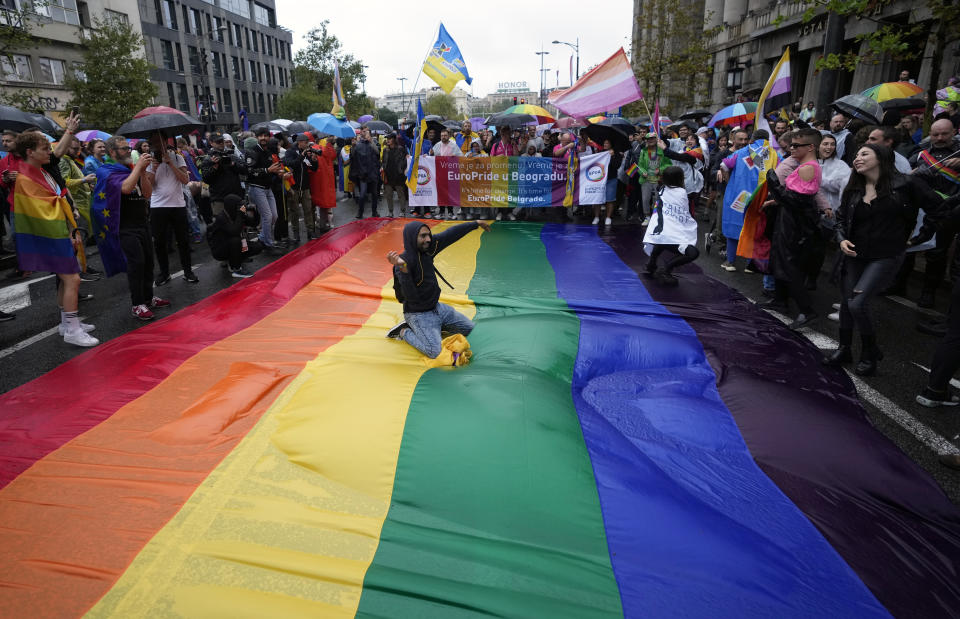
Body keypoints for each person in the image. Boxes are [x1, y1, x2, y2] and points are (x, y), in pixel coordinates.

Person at [824, 144, 945, 375]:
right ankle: (844, 348)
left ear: (881, 158)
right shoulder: (854, 186)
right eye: (856, 154)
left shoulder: (907, 184)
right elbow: (840, 218)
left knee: (858, 303)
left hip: (886, 254)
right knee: (848, 303)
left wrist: (922, 235)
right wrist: (840, 239)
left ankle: (870, 352)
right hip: (855, 254)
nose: (857, 158)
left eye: (864, 154)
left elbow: (938, 208)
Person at [12, 131, 97, 345]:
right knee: (72, 279)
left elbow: (55, 201)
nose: (50, 151)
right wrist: (65, 234)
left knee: (67, 279)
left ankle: (66, 323)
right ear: (30, 152)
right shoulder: (26, 178)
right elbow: (44, 214)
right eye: (44, 149)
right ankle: (73, 330)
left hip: (59, 232)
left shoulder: (39, 171)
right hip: (53, 235)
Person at [385, 219, 491, 358]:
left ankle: (438, 326)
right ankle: (404, 331)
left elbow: (450, 234)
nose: (428, 239)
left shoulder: (428, 248)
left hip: (438, 308)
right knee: (436, 352)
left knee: (472, 330)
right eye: (423, 236)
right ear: (412, 238)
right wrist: (403, 269)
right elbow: (411, 298)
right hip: (418, 315)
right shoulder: (402, 263)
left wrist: (475, 223)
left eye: (429, 235)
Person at [761, 128, 823, 329]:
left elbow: (798, 201)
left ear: (811, 147)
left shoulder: (808, 167)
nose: (791, 148)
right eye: (791, 145)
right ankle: (780, 301)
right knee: (780, 258)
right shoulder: (803, 166)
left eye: (796, 145)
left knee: (790, 264)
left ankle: (807, 311)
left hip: (797, 223)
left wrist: (774, 186)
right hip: (789, 218)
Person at [719, 129, 776, 271]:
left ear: (752, 139)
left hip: (738, 196)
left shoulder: (740, 152)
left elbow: (724, 165)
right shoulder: (775, 155)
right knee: (754, 228)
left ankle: (730, 262)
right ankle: (750, 265)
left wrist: (729, 182)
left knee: (733, 226)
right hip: (760, 198)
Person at [145, 131, 195, 285]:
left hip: (177, 204)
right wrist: (154, 168)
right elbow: (149, 186)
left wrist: (170, 163)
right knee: (160, 242)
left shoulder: (178, 157)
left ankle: (188, 271)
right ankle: (164, 273)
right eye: (154, 142)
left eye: (159, 141)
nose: (157, 144)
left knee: (183, 240)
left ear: (166, 141)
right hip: (158, 206)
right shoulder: (149, 161)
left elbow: (185, 180)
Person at [642, 166, 700, 285]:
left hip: (659, 230)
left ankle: (652, 262)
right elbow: (685, 211)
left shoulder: (661, 189)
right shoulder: (682, 192)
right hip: (670, 232)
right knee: (693, 253)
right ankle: (666, 270)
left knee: (663, 237)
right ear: (680, 179)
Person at [245, 127, 283, 252]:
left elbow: (270, 171)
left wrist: (278, 172)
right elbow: (249, 172)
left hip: (268, 188)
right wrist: (268, 170)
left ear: (269, 137)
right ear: (256, 137)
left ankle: (262, 238)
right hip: (257, 188)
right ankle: (268, 244)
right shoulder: (252, 152)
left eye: (265, 135)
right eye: (260, 136)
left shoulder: (268, 152)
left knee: (274, 216)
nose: (263, 138)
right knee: (267, 216)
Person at [207, 193, 263, 278]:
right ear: (231, 206)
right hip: (219, 250)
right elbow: (234, 231)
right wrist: (240, 214)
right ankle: (236, 268)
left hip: (234, 245)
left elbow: (254, 223)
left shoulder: (237, 214)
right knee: (236, 240)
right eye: (239, 206)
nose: (241, 208)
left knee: (258, 246)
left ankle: (236, 259)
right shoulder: (221, 217)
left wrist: (255, 211)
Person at [282, 133, 319, 240]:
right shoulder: (290, 152)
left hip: (305, 186)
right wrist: (302, 155)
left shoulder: (307, 152)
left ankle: (310, 231)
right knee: (294, 211)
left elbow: (313, 169)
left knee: (308, 209)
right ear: (299, 142)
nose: (307, 144)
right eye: (305, 142)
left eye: (308, 142)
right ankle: (296, 232)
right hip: (294, 187)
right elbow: (292, 164)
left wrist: (314, 161)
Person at [200, 133, 246, 218]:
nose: (221, 143)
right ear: (211, 143)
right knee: (221, 226)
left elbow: (244, 170)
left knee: (238, 223)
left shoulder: (231, 156)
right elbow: (206, 179)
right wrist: (215, 167)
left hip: (236, 197)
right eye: (218, 142)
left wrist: (233, 165)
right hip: (219, 199)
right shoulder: (208, 159)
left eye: (222, 141)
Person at [430, 129, 463, 219]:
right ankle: (441, 212)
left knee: (449, 194)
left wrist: (454, 156)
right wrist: (429, 154)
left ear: (448, 136)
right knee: (440, 193)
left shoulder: (453, 145)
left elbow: (461, 156)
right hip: (439, 173)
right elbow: (431, 156)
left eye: (445, 135)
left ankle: (451, 212)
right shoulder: (437, 145)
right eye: (442, 136)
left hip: (449, 173)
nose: (443, 137)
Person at [349, 128, 381, 219]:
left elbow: (378, 152)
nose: (365, 133)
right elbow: (353, 156)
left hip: (373, 173)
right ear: (361, 133)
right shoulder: (358, 144)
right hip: (363, 174)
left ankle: (374, 212)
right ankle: (360, 212)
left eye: (367, 131)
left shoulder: (374, 142)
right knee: (362, 195)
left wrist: (371, 141)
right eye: (363, 131)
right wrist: (353, 146)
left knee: (374, 194)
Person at [592, 138, 621, 226]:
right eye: (604, 143)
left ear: (611, 145)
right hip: (599, 180)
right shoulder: (600, 153)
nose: (605, 144)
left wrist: (612, 156)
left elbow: (617, 166)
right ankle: (596, 217)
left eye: (607, 143)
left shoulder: (616, 154)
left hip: (611, 179)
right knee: (597, 199)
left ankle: (608, 217)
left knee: (610, 199)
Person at [381, 133, 409, 218]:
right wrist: (382, 168)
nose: (387, 140)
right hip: (388, 176)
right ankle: (390, 212)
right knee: (388, 195)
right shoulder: (385, 150)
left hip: (398, 175)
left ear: (394, 139)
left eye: (389, 138)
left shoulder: (401, 149)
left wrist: (403, 169)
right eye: (387, 139)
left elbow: (406, 159)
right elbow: (383, 161)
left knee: (401, 194)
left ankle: (402, 211)